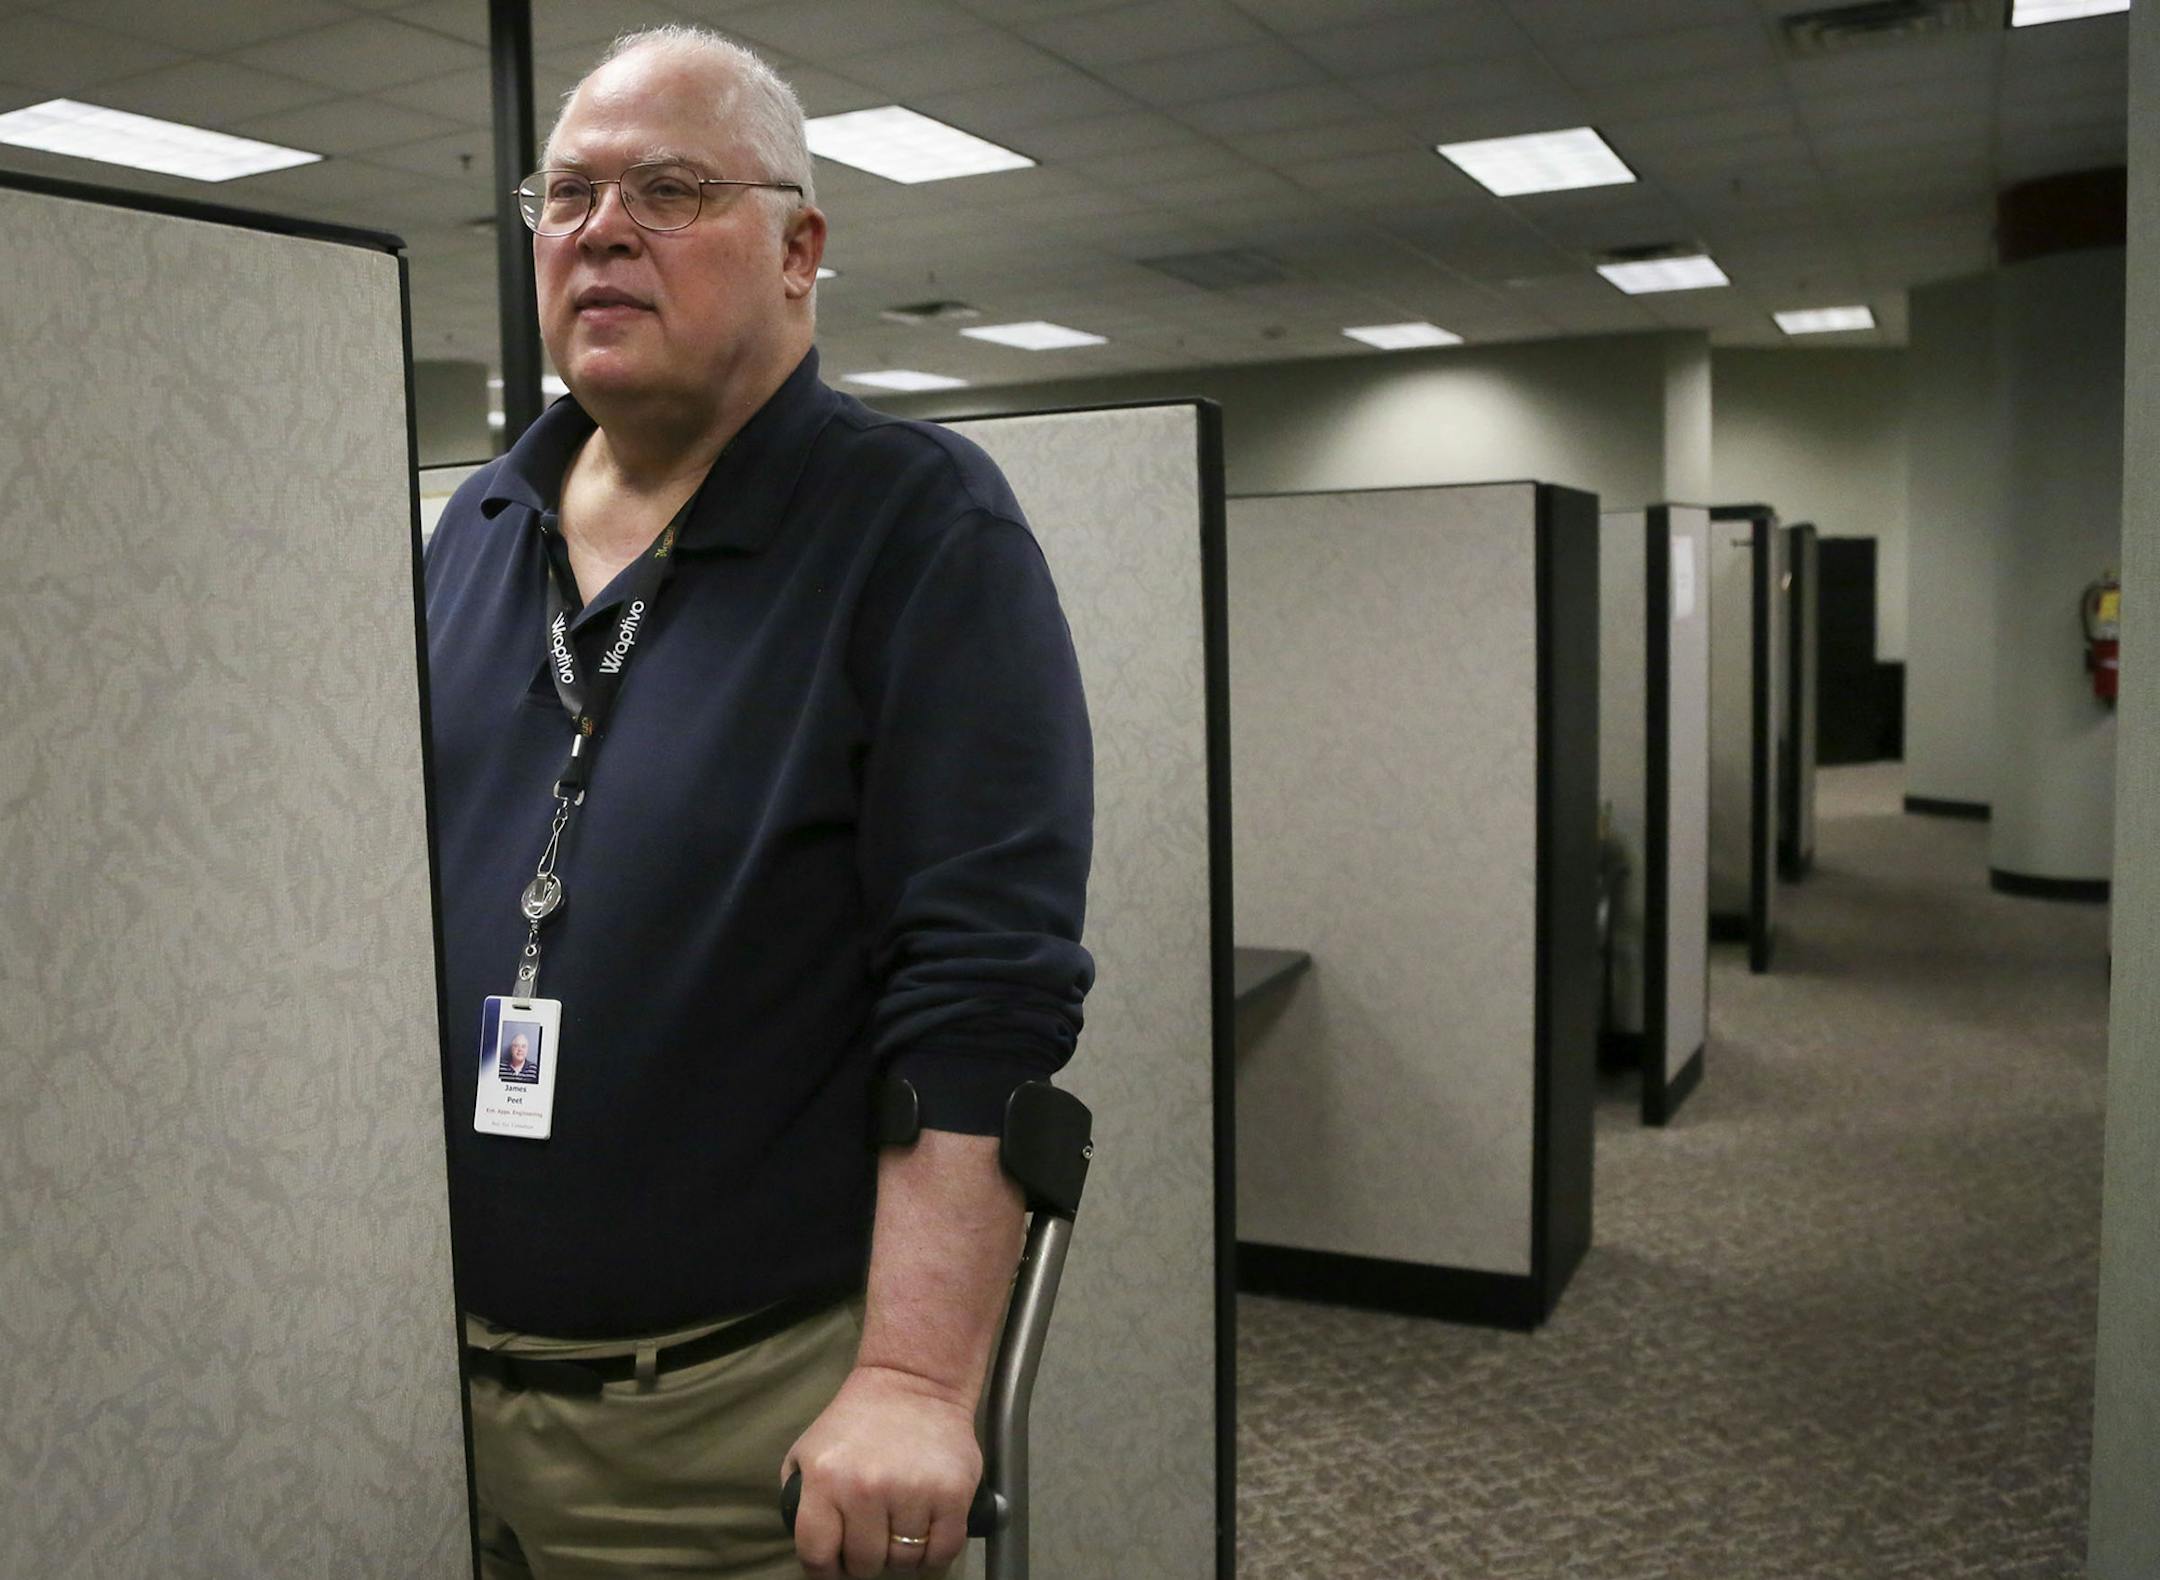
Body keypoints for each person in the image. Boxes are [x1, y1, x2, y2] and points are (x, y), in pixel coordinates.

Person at [422, 22, 1093, 1580]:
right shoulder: (478, 525)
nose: (601, 229)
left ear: (801, 248)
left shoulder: (915, 528)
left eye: (668, 189)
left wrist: (919, 1384)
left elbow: (981, 986)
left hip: (736, 1428)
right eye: (567, 194)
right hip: (426, 1385)